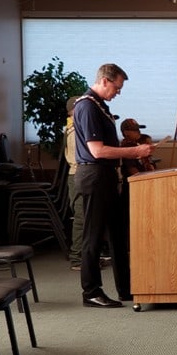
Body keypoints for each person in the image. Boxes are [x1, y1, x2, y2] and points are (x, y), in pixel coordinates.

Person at [74, 63, 154, 308]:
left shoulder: (100, 106)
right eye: (117, 87)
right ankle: (91, 292)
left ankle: (125, 289)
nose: (118, 92)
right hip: (94, 175)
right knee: (94, 237)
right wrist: (134, 150)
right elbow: (97, 151)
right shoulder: (87, 106)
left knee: (118, 235)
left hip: (107, 176)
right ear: (105, 81)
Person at [64, 95, 83, 271]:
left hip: (77, 175)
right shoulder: (74, 131)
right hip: (78, 175)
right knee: (81, 217)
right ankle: (77, 258)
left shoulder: (73, 127)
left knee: (83, 216)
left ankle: (83, 254)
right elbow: (79, 158)